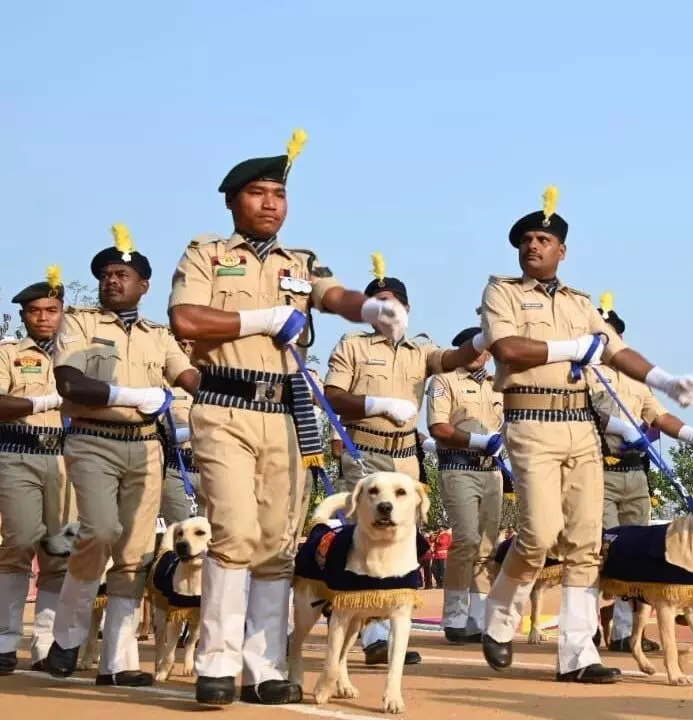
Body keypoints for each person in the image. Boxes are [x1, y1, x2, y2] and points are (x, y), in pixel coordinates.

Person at [167, 130, 410, 706]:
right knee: (232, 534)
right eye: (257, 192)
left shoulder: (299, 260)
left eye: (279, 193)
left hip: (284, 411)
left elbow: (332, 295)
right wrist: (264, 317)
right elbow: (186, 319)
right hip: (224, 405)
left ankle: (265, 665)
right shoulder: (207, 253)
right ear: (233, 201)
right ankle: (218, 662)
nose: (271, 203)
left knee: (278, 543)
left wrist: (372, 307)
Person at [477, 185, 693, 683]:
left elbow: (616, 351)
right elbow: (509, 349)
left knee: (584, 543)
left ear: (562, 251)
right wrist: (573, 347)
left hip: (580, 427)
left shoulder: (581, 303)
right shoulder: (503, 292)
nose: (533, 246)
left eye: (542, 239)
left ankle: (578, 654)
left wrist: (664, 379)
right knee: (537, 534)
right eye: (526, 240)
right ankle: (499, 616)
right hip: (531, 422)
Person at [46, 226, 200, 685]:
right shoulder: (80, 323)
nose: (112, 281)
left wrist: (226, 390)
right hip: (93, 438)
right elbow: (69, 383)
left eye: (122, 274)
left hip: (146, 446)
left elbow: (189, 376)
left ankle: (119, 661)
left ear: (143, 286)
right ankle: (68, 636)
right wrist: (128, 393)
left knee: (134, 553)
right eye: (106, 274)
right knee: (99, 531)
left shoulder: (160, 335)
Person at [321, 263, 484, 666]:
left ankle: (388, 626)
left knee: (404, 540)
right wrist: (375, 405)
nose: (385, 311)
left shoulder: (423, 350)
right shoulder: (353, 345)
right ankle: (372, 633)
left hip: (405, 457)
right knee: (363, 539)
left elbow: (457, 357)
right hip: (366, 450)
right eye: (377, 304)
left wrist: (487, 334)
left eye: (392, 304)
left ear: (407, 310)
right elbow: (332, 396)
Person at [587, 296, 693, 653]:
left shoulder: (636, 382)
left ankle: (623, 632)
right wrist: (618, 425)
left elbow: (659, 416)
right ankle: (585, 626)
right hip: (597, 468)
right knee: (598, 548)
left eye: (610, 337)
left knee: (633, 553)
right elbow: (586, 410)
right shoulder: (584, 371)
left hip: (636, 474)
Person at [0, 267, 72, 674]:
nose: (43, 317)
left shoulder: (80, 353)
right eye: (35, 311)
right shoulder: (8, 353)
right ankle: (5, 640)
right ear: (25, 315)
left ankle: (45, 645)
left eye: (51, 310)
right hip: (18, 454)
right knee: (19, 544)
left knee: (60, 552)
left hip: (68, 458)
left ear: (63, 312)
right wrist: (48, 402)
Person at [426, 325, 504, 643]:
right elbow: (438, 428)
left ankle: (479, 618)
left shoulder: (498, 385)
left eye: (485, 350)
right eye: (474, 349)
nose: (480, 355)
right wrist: (478, 440)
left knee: (487, 546)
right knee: (466, 541)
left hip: (492, 471)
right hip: (459, 468)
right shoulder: (445, 381)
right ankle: (455, 617)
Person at [159, 336, 201, 525]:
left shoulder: (217, 380)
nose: (186, 348)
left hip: (211, 468)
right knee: (180, 536)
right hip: (178, 467)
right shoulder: (162, 385)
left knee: (218, 539)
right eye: (181, 343)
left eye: (191, 343)